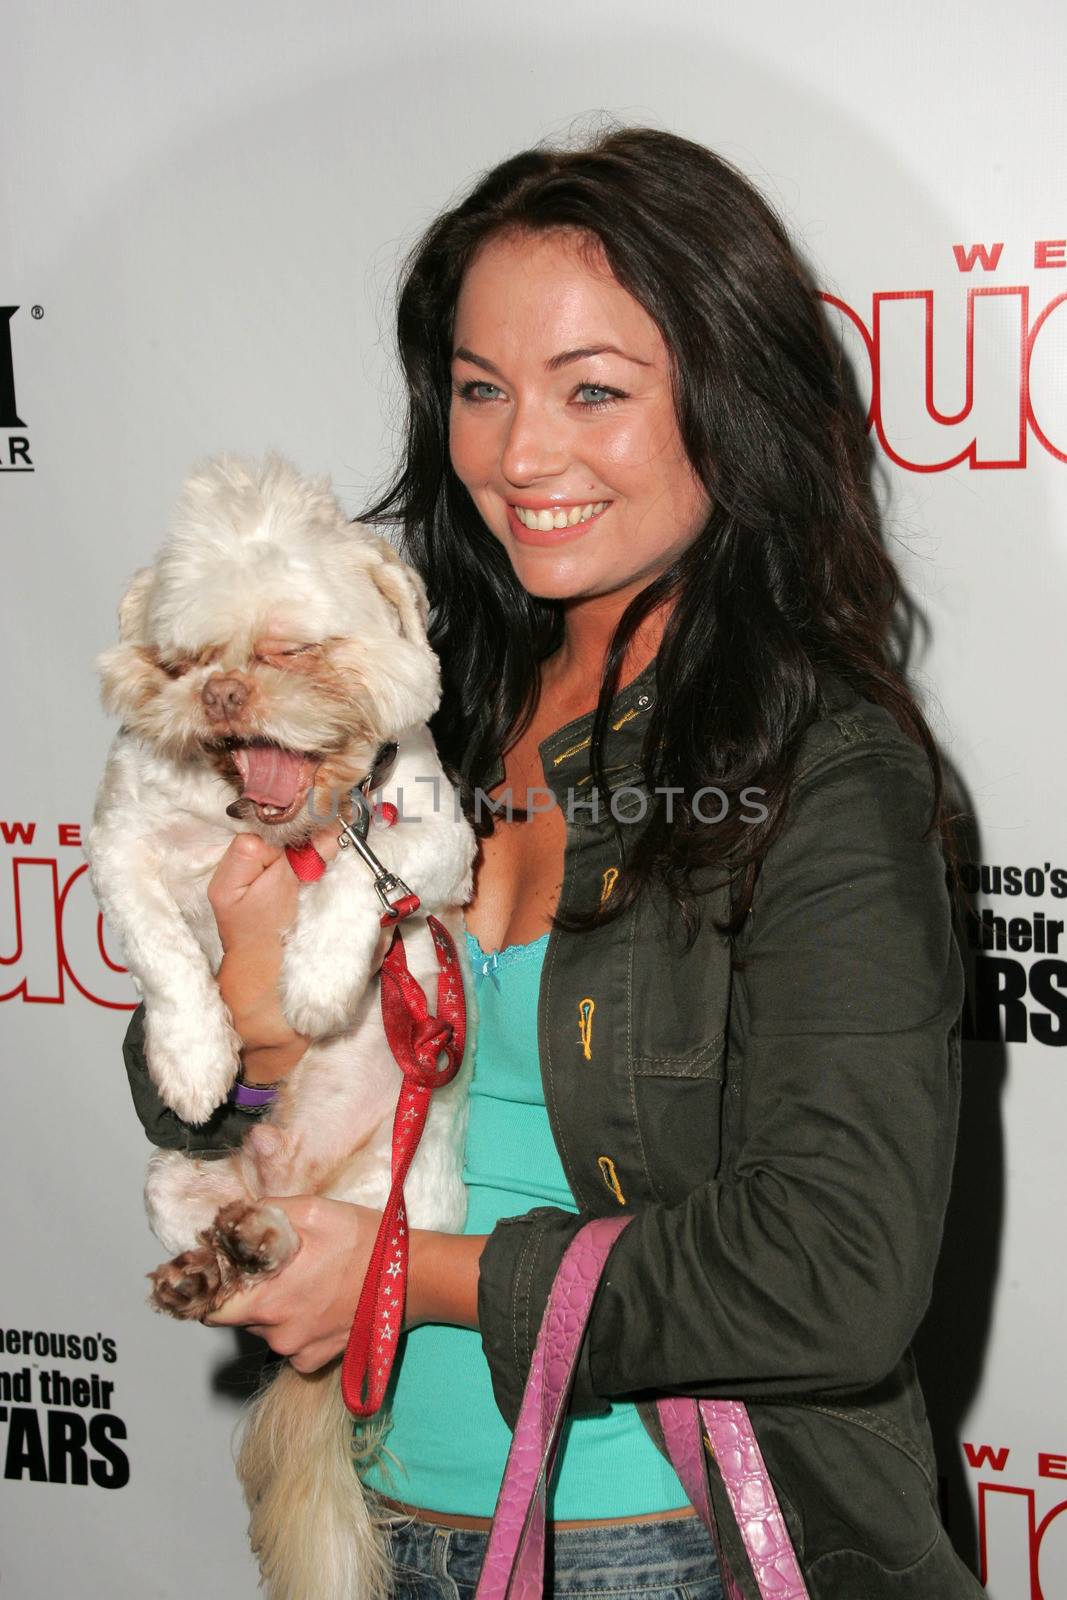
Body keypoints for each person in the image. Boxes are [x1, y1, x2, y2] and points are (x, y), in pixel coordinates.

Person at [122, 126, 985, 1598]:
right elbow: (214, 1097)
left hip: (664, 1543)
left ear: (733, 398)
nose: (520, 456)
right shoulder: (415, 704)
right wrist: (254, 1040)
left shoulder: (823, 769)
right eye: (479, 391)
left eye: (595, 392)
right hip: (385, 1526)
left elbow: (837, 1274)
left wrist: (407, 1279)